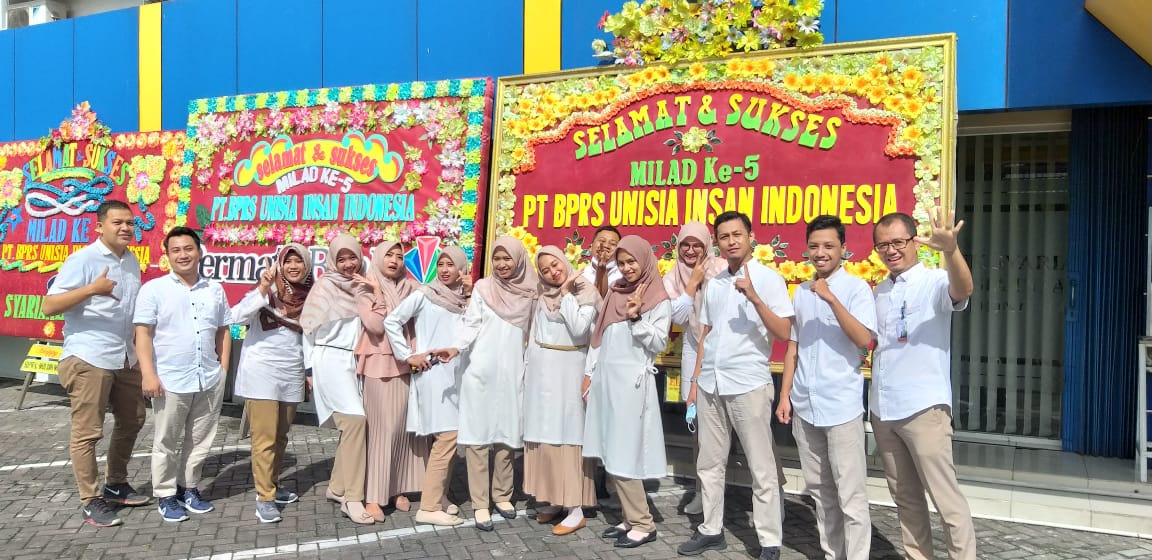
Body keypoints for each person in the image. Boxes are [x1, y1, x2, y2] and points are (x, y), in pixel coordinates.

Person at [680, 211, 794, 560]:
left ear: (750, 237)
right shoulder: (714, 283)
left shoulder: (769, 279)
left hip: (748, 383)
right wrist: (695, 382)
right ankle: (711, 529)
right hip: (711, 383)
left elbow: (785, 333)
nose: (731, 241)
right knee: (709, 462)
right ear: (717, 242)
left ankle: (769, 540)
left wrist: (755, 298)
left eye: (737, 235)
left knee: (761, 466)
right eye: (724, 236)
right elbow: (706, 334)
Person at [870, 209, 976, 560]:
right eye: (883, 245)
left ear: (915, 242)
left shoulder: (934, 281)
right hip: (884, 410)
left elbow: (963, 289)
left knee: (946, 499)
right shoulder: (880, 291)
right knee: (906, 499)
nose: (891, 250)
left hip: (923, 409)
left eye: (898, 242)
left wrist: (951, 250)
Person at [42, 200, 149, 527]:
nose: (125, 228)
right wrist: (92, 289)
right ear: (99, 227)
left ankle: (115, 484)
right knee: (88, 432)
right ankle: (90, 500)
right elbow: (49, 306)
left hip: (124, 355)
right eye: (118, 222)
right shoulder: (83, 259)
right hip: (89, 356)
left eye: (130, 223)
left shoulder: (131, 261)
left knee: (133, 419)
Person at [776, 215, 876, 560]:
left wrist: (832, 299)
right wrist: (785, 395)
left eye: (829, 246)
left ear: (843, 249)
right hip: (806, 404)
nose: (821, 252)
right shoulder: (802, 292)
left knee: (850, 494)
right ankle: (833, 554)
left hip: (841, 405)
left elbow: (864, 339)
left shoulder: (856, 289)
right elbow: (793, 346)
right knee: (820, 491)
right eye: (814, 246)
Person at [433, 237, 537, 531]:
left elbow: (536, 331)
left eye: (507, 259)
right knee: (478, 439)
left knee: (507, 437)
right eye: (497, 259)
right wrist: (455, 347)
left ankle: (502, 495)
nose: (502, 264)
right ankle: (480, 503)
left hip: (512, 372)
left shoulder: (530, 292)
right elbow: (472, 323)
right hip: (479, 371)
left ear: (519, 260)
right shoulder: (482, 288)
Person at [134, 227, 232, 522]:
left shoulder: (214, 289)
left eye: (188, 249)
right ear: (167, 255)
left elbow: (223, 330)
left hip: (208, 377)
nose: (183, 255)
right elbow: (143, 334)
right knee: (166, 439)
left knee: (200, 440)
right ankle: (165, 494)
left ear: (199, 252)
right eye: (175, 250)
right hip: (169, 379)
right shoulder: (154, 289)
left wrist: (223, 369)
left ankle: (189, 488)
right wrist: (148, 374)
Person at [582, 235, 671, 549]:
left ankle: (644, 523)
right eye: (621, 263)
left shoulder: (657, 297)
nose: (627, 268)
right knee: (610, 450)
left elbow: (659, 343)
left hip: (632, 385)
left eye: (632, 261)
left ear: (644, 259)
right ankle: (629, 517)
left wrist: (636, 317)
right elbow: (601, 338)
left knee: (624, 453)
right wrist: (590, 375)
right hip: (607, 381)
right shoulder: (616, 292)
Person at [384, 246, 472, 527]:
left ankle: (439, 497)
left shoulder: (464, 299)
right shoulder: (425, 294)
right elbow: (392, 320)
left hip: (457, 377)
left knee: (448, 439)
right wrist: (407, 355)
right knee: (447, 437)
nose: (445, 270)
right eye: (441, 264)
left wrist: (470, 295)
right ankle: (429, 506)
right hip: (433, 374)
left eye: (451, 265)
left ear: (462, 269)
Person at [230, 243, 314, 523]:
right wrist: (263, 290)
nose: (293, 266)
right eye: (288, 261)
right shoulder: (266, 291)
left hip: (292, 372)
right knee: (264, 438)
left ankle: (273, 485)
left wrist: (309, 371)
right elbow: (237, 317)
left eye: (299, 261)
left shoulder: (311, 295)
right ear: (279, 264)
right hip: (261, 371)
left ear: (307, 265)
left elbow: (312, 337)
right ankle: (264, 497)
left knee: (280, 436)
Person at [522, 246, 601, 536]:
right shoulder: (542, 295)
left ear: (564, 262)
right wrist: (527, 369)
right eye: (545, 270)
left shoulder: (585, 291)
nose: (553, 273)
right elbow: (534, 335)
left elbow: (580, 329)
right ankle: (555, 499)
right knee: (545, 435)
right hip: (541, 374)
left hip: (570, 370)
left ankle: (575, 508)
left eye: (555, 265)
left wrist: (567, 293)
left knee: (568, 436)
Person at [301, 234, 374, 525]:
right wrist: (309, 370)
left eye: (352, 257)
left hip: (354, 361)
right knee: (355, 422)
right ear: (332, 260)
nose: (347, 264)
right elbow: (308, 329)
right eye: (341, 259)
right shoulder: (325, 287)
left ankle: (337, 486)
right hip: (329, 358)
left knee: (353, 427)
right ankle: (352, 498)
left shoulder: (364, 284)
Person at [354, 240, 429, 522]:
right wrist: (378, 294)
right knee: (381, 431)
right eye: (389, 255)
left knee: (402, 429)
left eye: (399, 256)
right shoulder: (365, 288)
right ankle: (374, 495)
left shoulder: (411, 287)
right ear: (378, 258)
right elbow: (375, 326)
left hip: (406, 363)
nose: (394, 261)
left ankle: (397, 487)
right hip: (379, 363)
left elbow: (429, 307)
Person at [661, 221, 726, 515]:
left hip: (727, 349)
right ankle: (703, 492)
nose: (690, 250)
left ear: (707, 245)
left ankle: (771, 492)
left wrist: (706, 278)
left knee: (742, 423)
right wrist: (692, 283)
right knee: (698, 423)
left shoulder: (722, 267)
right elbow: (677, 317)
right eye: (684, 245)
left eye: (696, 244)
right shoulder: (673, 276)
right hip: (692, 347)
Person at [579, 225, 622, 297]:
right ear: (590, 247)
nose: (606, 246)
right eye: (602, 241)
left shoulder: (624, 276)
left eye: (613, 244)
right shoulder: (581, 275)